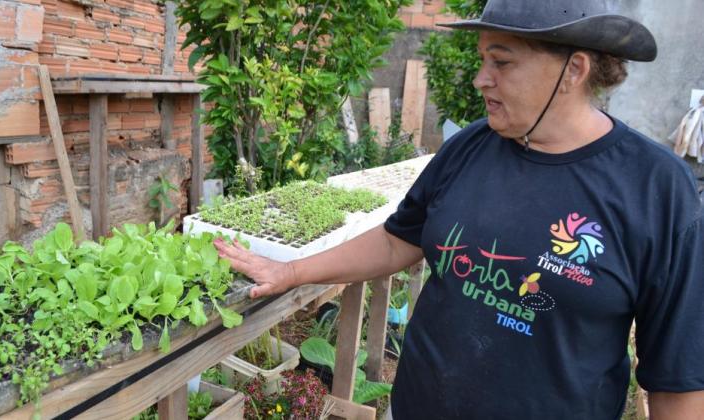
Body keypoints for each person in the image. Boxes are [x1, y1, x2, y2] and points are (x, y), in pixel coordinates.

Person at [214, 0, 704, 418]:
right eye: (481, 60)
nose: (479, 80)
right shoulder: (473, 145)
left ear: (573, 69)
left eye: (502, 62)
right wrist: (292, 271)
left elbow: (677, 378)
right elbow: (396, 238)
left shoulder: (656, 188)